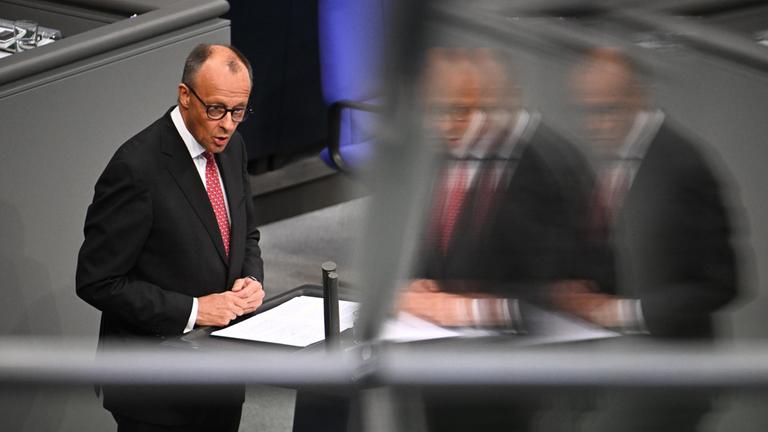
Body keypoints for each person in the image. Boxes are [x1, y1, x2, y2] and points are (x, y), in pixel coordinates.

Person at [76, 44, 265, 432]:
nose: (228, 124)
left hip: (221, 376)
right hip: (155, 394)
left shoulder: (232, 149)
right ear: (185, 96)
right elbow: (97, 281)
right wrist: (194, 311)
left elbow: (246, 233)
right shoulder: (135, 168)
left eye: (239, 111)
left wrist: (251, 279)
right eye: (216, 109)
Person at [560, 47, 739, 432]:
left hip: (674, 376)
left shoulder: (683, 164)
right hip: (628, 370)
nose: (593, 125)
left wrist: (625, 313)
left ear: (639, 98)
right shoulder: (621, 158)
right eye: (586, 111)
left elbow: (724, 283)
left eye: (605, 109)